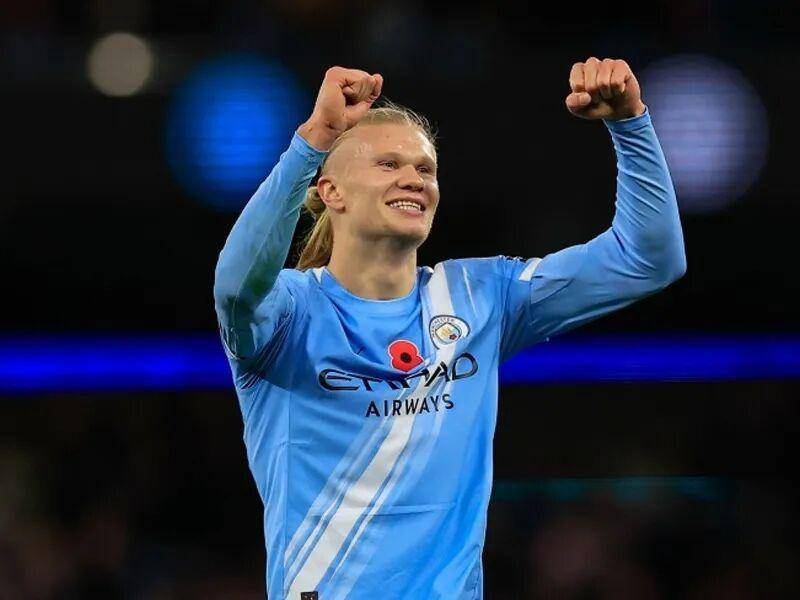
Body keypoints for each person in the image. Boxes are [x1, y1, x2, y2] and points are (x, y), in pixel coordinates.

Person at [213, 60, 685, 599]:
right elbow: (236, 288)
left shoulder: (481, 297)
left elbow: (648, 259)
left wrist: (630, 123)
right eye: (388, 164)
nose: (414, 179)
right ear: (331, 191)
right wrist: (315, 137)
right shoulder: (290, 313)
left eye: (426, 169)